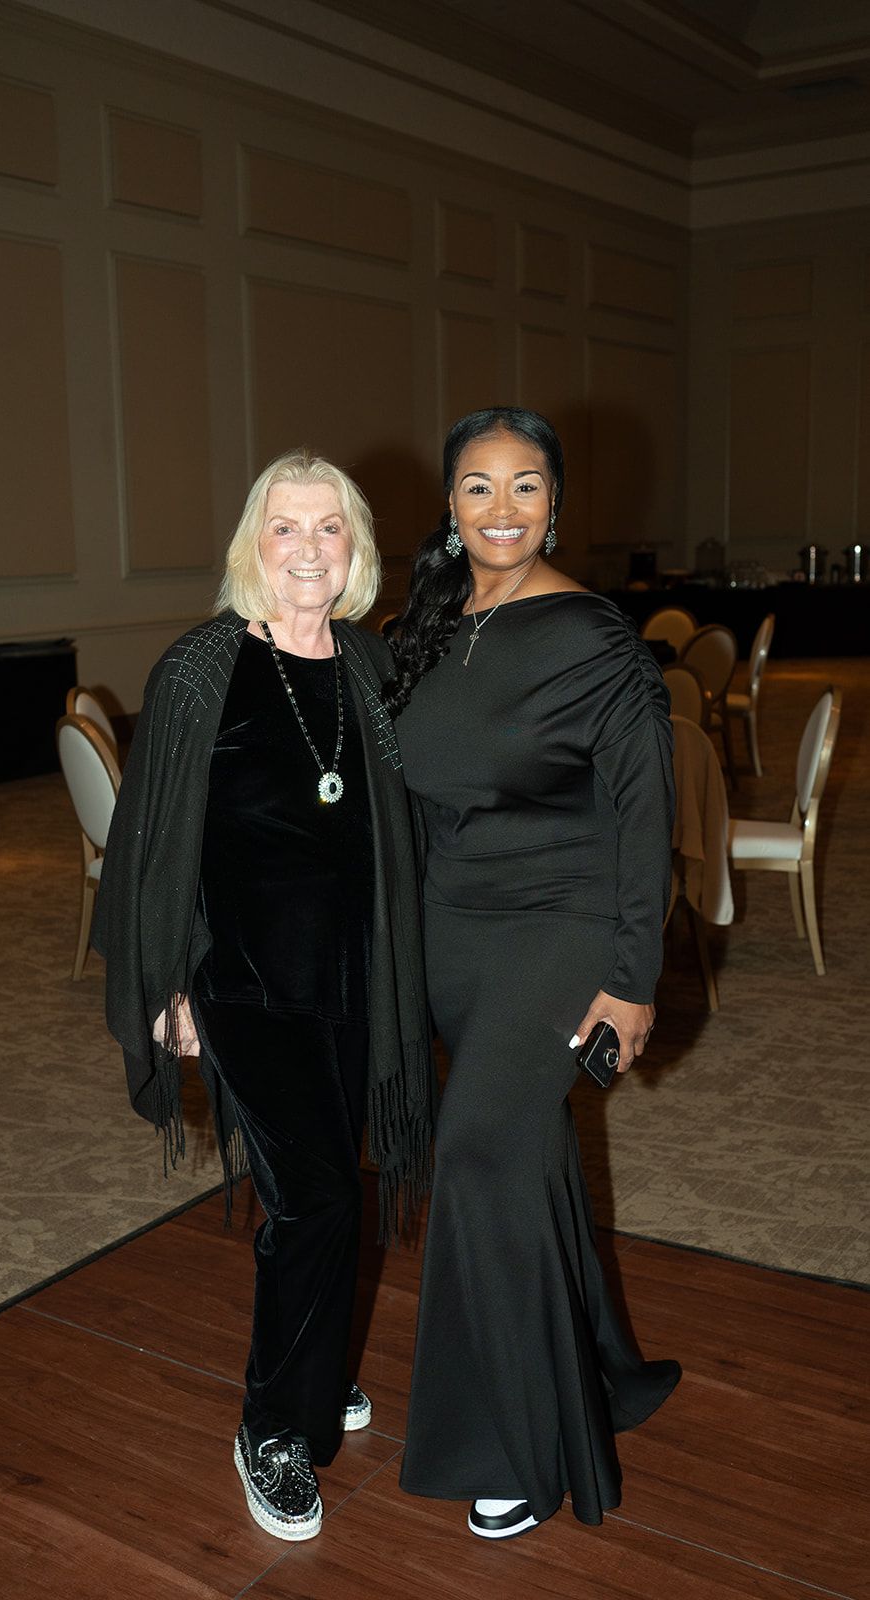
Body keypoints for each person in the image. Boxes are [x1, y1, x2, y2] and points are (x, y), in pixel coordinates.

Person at [92, 449, 434, 1544]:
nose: (307, 548)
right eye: (285, 526)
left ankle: (314, 1365)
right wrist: (169, 982)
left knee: (330, 1188)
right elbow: (152, 843)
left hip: (354, 982)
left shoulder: (373, 666)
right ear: (254, 543)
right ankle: (273, 1428)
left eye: (329, 527)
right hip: (242, 982)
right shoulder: (205, 668)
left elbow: (419, 815)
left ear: (355, 548)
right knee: (317, 1197)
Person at [386, 407, 681, 1540]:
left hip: (560, 928)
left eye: (524, 486)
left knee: (476, 1154)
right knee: (521, 1155)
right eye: (477, 486)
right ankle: (591, 1374)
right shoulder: (427, 624)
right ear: (449, 505)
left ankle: (513, 1446)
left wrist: (631, 978)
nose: (500, 508)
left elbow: (646, 818)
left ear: (554, 503)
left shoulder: (592, 637)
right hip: (452, 933)